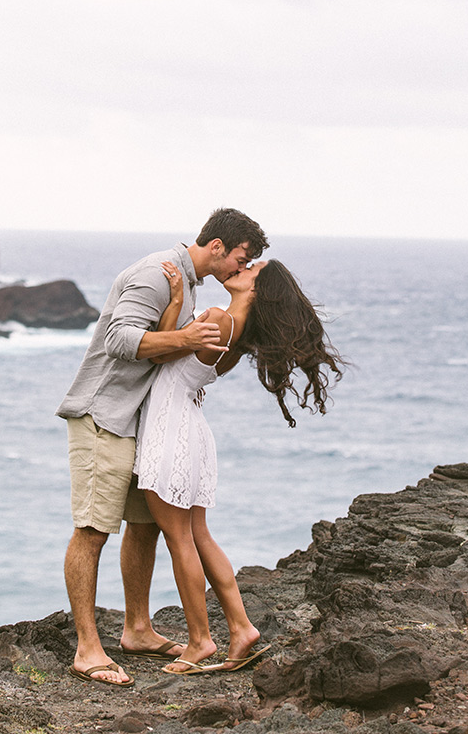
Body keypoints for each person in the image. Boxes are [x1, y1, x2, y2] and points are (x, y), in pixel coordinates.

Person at [56, 208, 269, 686]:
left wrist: (184, 334)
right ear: (217, 246)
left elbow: (176, 355)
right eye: (240, 257)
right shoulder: (159, 275)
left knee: (146, 525)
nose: (240, 268)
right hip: (104, 415)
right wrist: (187, 334)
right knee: (92, 530)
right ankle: (88, 649)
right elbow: (120, 339)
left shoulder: (188, 285)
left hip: (143, 421)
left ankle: (138, 630)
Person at [134, 257, 345, 674]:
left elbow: (160, 352)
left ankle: (199, 641)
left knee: (179, 539)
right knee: (197, 534)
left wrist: (176, 298)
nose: (240, 268)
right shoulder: (240, 329)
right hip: (190, 427)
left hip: (170, 427)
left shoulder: (217, 318)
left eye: (252, 269)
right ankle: (240, 627)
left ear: (258, 288)